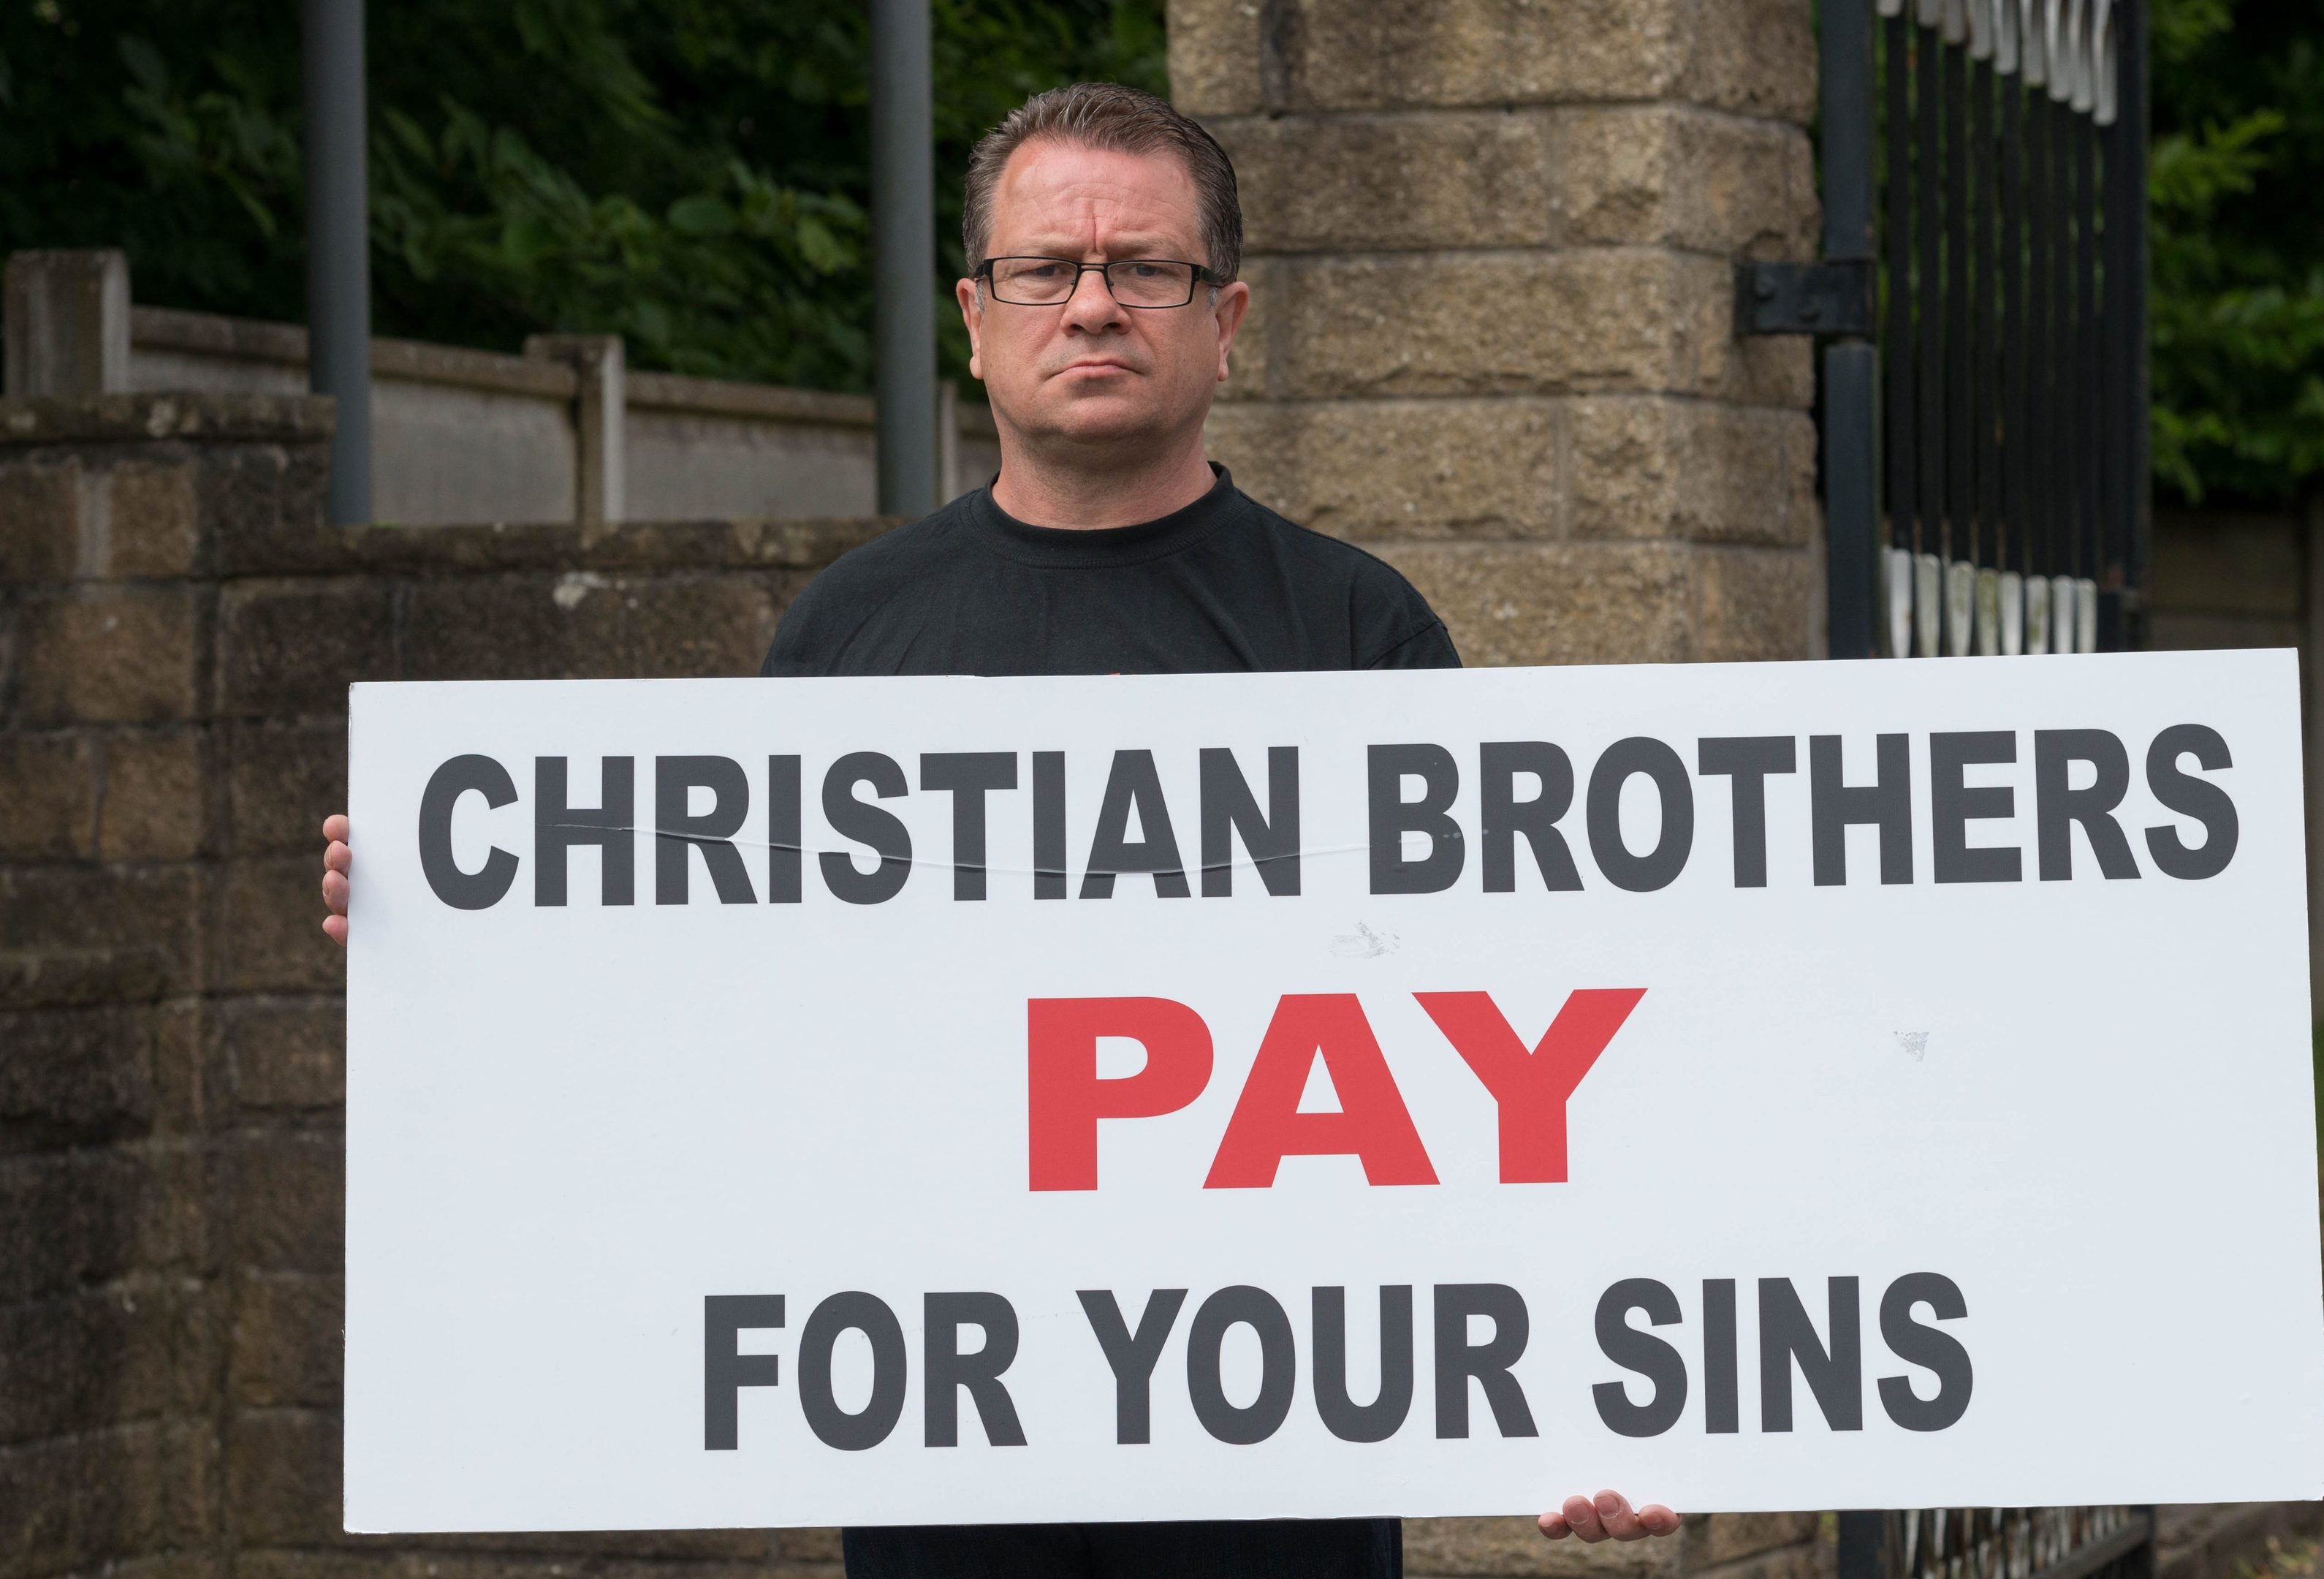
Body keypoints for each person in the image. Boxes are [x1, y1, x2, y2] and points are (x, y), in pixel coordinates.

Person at [320, 80, 1682, 1578]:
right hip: (944, 1443)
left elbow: (1483, 1037)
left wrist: (1575, 1387)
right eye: (1048, 269)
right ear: (976, 318)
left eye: (1143, 269)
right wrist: (453, 934)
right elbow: (734, 1006)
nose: (1092, 306)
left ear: (1225, 321)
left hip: (1269, 1463)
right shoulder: (846, 636)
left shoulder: (1355, 630)